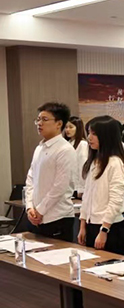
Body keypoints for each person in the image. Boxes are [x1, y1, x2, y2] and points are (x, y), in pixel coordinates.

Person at [24, 102, 77, 241]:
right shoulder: (39, 148)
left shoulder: (65, 149)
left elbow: (60, 186)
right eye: (38, 119)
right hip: (35, 217)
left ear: (59, 124)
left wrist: (40, 210)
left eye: (45, 119)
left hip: (57, 218)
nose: (39, 123)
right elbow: (30, 179)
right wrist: (30, 207)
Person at [77, 116, 124, 255]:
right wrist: (82, 225)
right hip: (91, 224)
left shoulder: (115, 163)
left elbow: (116, 200)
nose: (89, 137)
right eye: (89, 132)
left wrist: (104, 230)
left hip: (110, 227)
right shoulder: (94, 161)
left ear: (106, 136)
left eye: (94, 134)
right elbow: (87, 197)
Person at [64, 116, 89, 197]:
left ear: (78, 128)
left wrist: (81, 188)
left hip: (77, 187)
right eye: (66, 127)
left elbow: (82, 166)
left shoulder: (82, 144)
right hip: (67, 185)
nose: (67, 130)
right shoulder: (67, 143)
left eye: (71, 127)